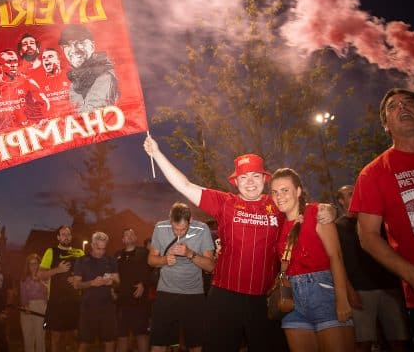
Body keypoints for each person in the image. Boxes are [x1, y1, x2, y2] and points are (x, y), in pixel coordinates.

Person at [144, 135, 297, 352]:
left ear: (265, 180)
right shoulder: (225, 203)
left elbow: (303, 210)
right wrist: (157, 154)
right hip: (225, 296)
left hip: (264, 299)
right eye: (244, 178)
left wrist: (323, 210)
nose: (250, 182)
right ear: (235, 182)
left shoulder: (278, 204)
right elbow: (185, 185)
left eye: (255, 176)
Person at [349, 88, 414, 351]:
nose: (402, 107)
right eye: (392, 106)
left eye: (409, 102)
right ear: (385, 125)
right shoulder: (373, 173)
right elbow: (368, 237)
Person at [270, 168, 354, 351]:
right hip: (291, 301)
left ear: (298, 191)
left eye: (285, 190)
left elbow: (336, 257)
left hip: (323, 294)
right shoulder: (277, 224)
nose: (279, 196)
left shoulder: (317, 212)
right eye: (275, 192)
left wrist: (342, 299)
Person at [336, 185, 409, 352]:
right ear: (341, 201)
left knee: (399, 340)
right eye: (349, 194)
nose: (354, 196)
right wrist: (349, 291)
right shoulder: (338, 226)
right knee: (363, 342)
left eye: (355, 193)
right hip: (361, 291)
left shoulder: (374, 221)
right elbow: (337, 261)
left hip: (389, 287)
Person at [147, 202, 214, 352]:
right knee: (158, 342)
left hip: (193, 294)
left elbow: (210, 266)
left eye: (183, 229)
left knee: (195, 343)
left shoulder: (202, 229)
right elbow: (151, 260)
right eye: (175, 228)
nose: (178, 233)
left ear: (190, 221)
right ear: (170, 221)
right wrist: (164, 260)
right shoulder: (160, 227)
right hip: (165, 292)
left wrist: (190, 253)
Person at [0, 49, 50, 131]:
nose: (13, 65)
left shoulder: (26, 81)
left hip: (24, 128)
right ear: (0, 65)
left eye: (15, 61)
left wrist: (42, 118)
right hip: (3, 129)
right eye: (9, 61)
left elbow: (44, 101)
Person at [38, 225, 85, 352]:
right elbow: (40, 275)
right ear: (58, 237)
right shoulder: (51, 251)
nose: (66, 236)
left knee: (76, 336)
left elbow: (87, 273)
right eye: (63, 234)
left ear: (71, 236)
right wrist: (58, 270)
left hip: (75, 301)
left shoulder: (80, 252)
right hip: (56, 301)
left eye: (68, 234)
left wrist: (77, 277)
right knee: (56, 337)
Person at [73, 232, 119, 352]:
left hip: (108, 307)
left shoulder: (111, 260)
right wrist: (92, 283)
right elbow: (76, 284)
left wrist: (111, 282)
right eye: (98, 248)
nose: (101, 252)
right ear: (92, 245)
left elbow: (118, 281)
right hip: (88, 308)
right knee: (84, 342)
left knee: (110, 341)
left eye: (104, 248)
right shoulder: (82, 261)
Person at [58, 24, 119, 113]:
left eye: (80, 43)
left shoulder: (104, 77)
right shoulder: (75, 79)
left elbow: (91, 116)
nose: (73, 50)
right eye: (67, 45)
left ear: (92, 46)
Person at [115, 228, 150, 352]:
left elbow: (151, 271)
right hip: (122, 301)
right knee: (122, 335)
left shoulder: (144, 252)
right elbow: (114, 275)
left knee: (141, 334)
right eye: (126, 235)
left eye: (131, 234)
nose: (129, 236)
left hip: (139, 300)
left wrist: (143, 284)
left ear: (135, 238)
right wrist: (113, 290)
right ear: (123, 240)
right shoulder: (117, 255)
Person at [20, 253, 47, 352]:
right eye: (30, 264)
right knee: (28, 338)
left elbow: (48, 293)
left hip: (41, 308)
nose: (33, 266)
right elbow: (23, 294)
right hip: (26, 309)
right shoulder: (24, 278)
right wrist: (25, 305)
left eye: (35, 263)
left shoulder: (45, 277)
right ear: (27, 266)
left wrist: (40, 280)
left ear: (39, 264)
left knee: (40, 338)